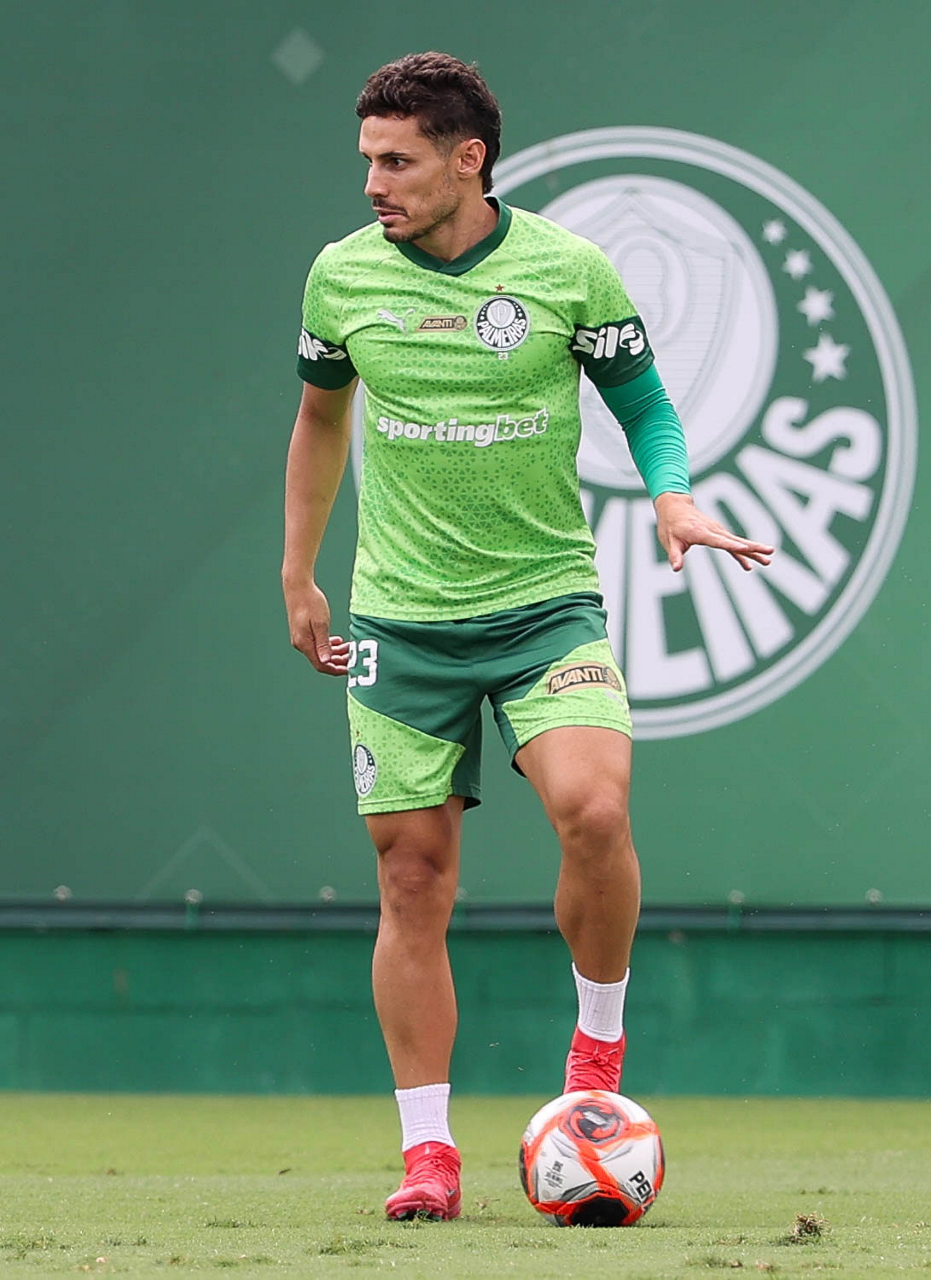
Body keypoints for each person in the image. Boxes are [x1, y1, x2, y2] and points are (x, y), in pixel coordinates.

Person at [282, 51, 772, 1222]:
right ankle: (428, 1154)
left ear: (468, 158)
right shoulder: (341, 277)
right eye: (366, 160)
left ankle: (594, 1052)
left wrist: (669, 496)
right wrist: (297, 571)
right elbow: (318, 420)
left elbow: (643, 403)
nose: (373, 183)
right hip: (401, 620)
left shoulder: (567, 269)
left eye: (397, 161)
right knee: (411, 876)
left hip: (546, 606)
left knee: (594, 810)